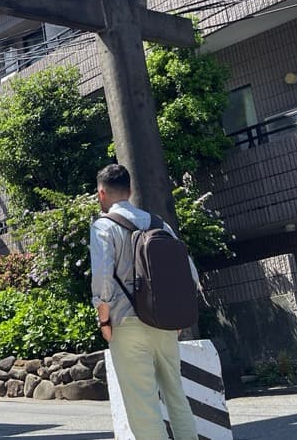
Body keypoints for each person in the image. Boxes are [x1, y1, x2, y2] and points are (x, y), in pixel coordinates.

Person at [90, 163, 199, 439]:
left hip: (127, 324)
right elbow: (191, 275)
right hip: (165, 323)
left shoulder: (103, 226)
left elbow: (102, 278)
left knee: (143, 405)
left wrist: (104, 320)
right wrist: (176, 316)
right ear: (130, 190)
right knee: (177, 397)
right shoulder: (159, 223)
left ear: (101, 194)